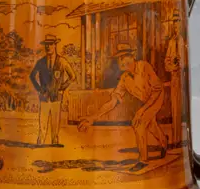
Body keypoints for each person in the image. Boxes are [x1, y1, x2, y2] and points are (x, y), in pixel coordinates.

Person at [79, 44, 167, 170]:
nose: (120, 61)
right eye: (118, 59)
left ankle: (143, 160)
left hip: (157, 96)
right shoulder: (124, 79)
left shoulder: (144, 66)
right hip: (145, 101)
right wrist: (92, 118)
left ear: (133, 56)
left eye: (123, 57)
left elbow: (157, 90)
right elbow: (113, 102)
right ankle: (164, 142)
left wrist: (141, 110)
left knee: (139, 123)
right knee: (150, 125)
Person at [28, 35, 75, 146]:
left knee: (55, 120)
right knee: (43, 121)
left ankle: (55, 142)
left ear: (55, 45)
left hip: (56, 96)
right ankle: (40, 142)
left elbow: (72, 76)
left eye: (50, 44)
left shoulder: (62, 61)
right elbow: (32, 76)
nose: (48, 47)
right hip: (44, 96)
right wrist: (39, 89)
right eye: (46, 45)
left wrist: (62, 87)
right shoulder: (40, 62)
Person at [164, 9, 187, 145]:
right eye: (174, 24)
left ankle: (181, 140)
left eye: (178, 23)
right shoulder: (171, 42)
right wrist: (171, 65)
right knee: (174, 110)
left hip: (182, 77)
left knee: (181, 108)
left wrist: (180, 62)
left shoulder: (183, 41)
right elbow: (166, 61)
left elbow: (186, 62)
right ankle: (175, 138)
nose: (176, 26)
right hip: (174, 77)